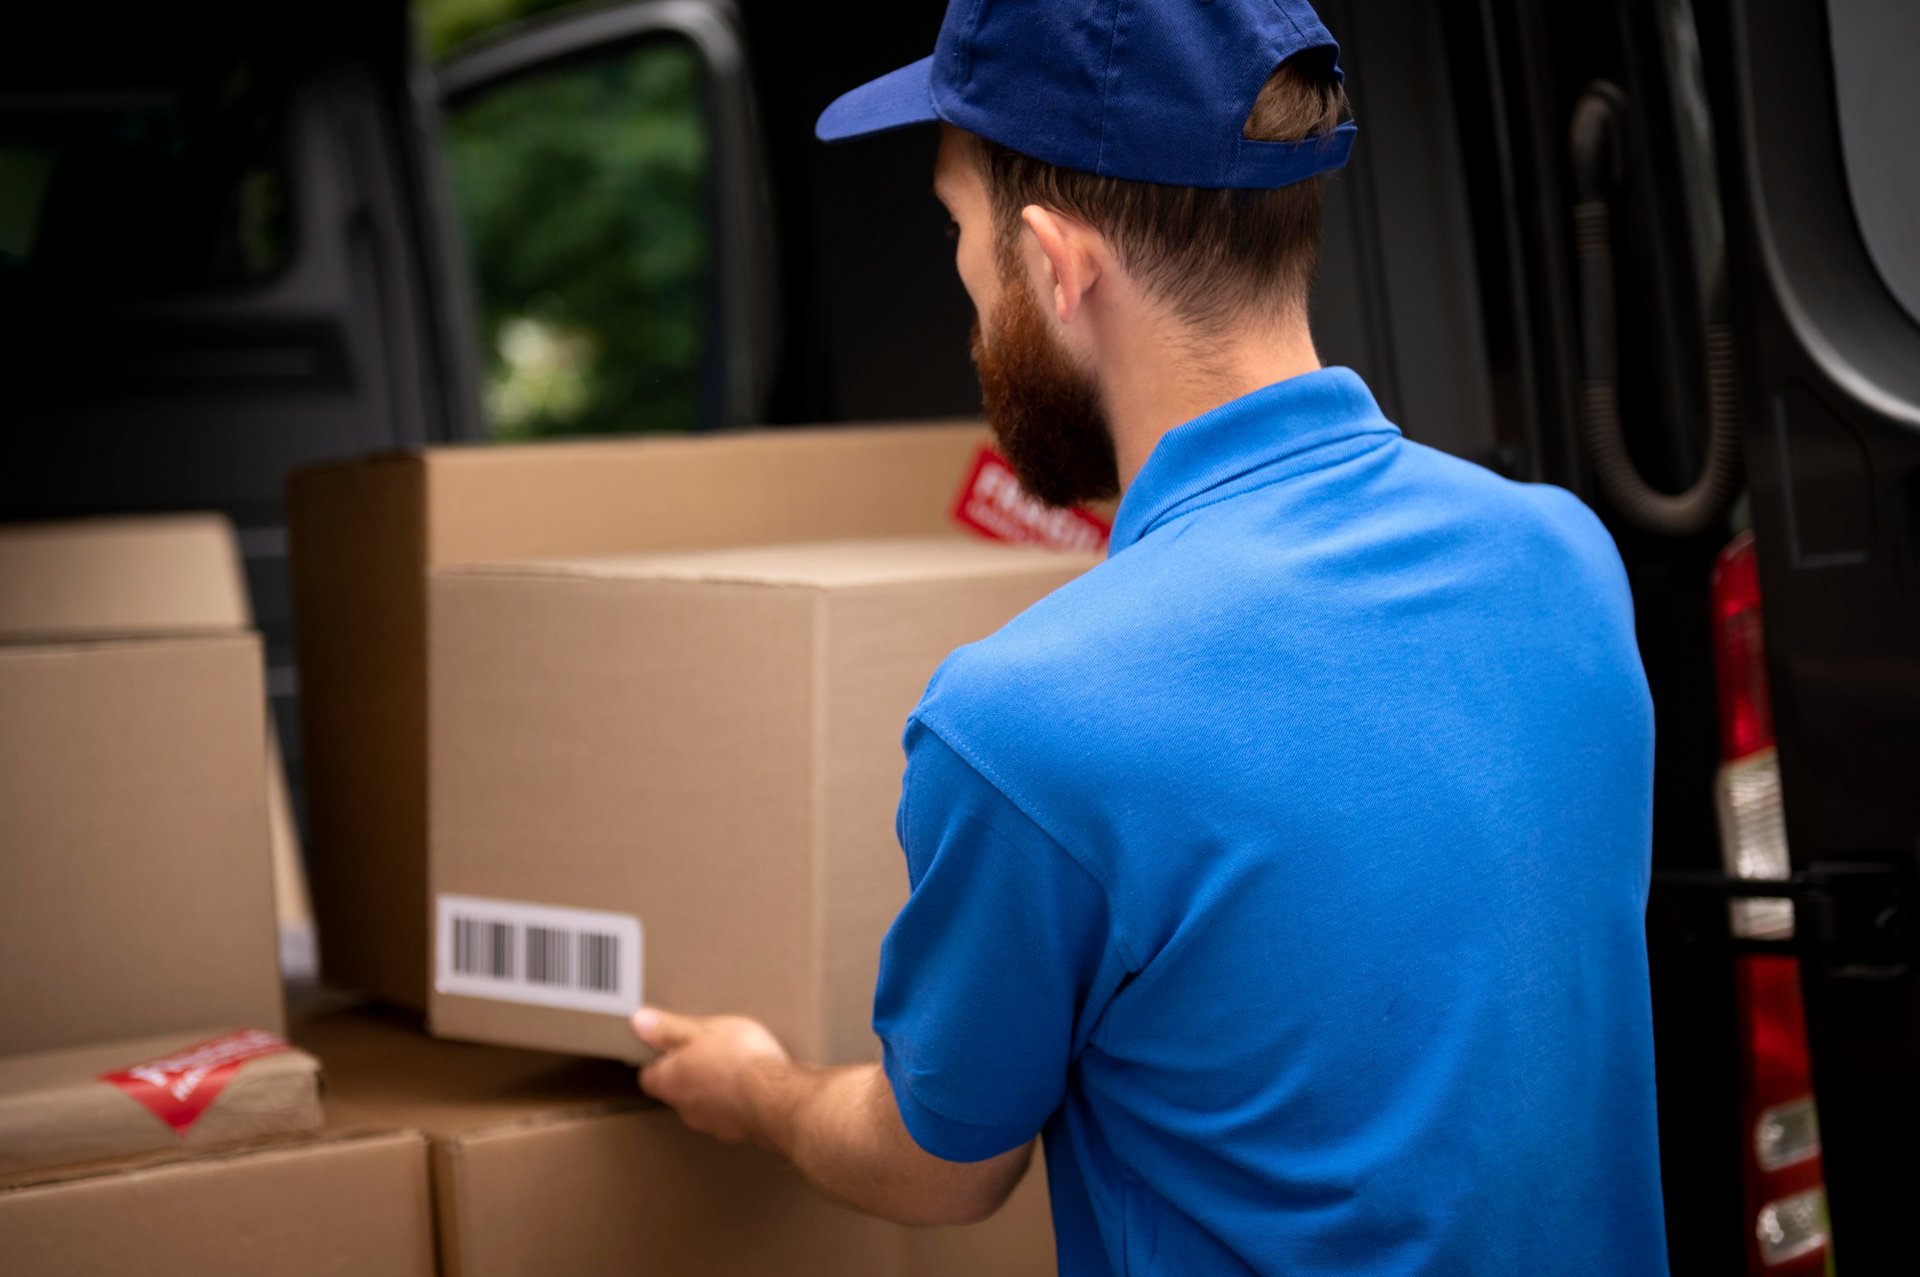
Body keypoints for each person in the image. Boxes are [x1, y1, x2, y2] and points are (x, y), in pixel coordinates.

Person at [630, 2, 1669, 1272]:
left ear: (1057, 263)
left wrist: (761, 1089)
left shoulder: (1026, 723)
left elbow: (940, 1165)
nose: (962, 292)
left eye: (958, 231)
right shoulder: (1564, 561)